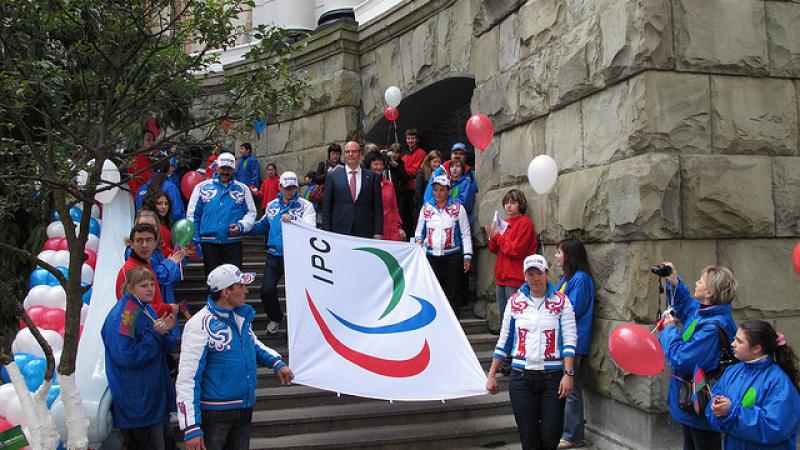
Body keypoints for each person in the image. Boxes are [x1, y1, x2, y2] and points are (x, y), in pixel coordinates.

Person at [176, 264, 294, 450]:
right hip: (215, 415)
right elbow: (187, 378)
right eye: (241, 286)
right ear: (226, 292)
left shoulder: (239, 317)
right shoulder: (198, 324)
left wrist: (277, 362)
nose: (246, 291)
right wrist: (191, 426)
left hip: (244, 408)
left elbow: (254, 344)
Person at [486, 254, 577, 450]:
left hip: (553, 378)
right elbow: (504, 340)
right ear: (524, 276)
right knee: (529, 438)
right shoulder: (515, 301)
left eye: (539, 273)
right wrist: (492, 374)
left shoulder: (562, 301)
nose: (535, 278)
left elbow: (569, 339)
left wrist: (568, 374)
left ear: (547, 273)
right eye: (530, 274)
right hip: (521, 377)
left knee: (550, 436)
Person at [658, 263, 739, 450]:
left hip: (701, 405)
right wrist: (674, 281)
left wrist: (669, 330)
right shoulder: (704, 311)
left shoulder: (711, 329)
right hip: (692, 404)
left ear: (709, 293)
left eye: (700, 281)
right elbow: (686, 306)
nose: (696, 282)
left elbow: (681, 358)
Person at [102, 266, 177, 450]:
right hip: (140, 401)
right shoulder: (125, 315)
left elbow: (161, 345)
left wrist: (166, 332)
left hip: (153, 398)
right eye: (144, 285)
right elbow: (127, 356)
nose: (150, 288)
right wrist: (157, 335)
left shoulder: (145, 308)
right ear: (130, 288)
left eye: (152, 284)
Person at [706, 320, 800, 449]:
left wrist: (731, 410)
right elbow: (711, 408)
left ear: (756, 348)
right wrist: (716, 410)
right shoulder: (732, 371)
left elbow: (775, 428)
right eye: (734, 339)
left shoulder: (779, 382)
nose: (733, 344)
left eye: (739, 341)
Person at [244, 171, 315, 334]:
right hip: (274, 254)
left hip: (296, 255)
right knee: (266, 290)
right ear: (280, 187)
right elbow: (261, 225)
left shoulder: (306, 205)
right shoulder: (272, 206)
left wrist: (294, 220)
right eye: (287, 188)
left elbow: (311, 227)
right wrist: (242, 227)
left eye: (293, 188)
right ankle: (276, 317)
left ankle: (299, 325)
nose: (291, 191)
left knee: (297, 293)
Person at [186, 152, 257, 276]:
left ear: (234, 170)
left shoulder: (243, 189)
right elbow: (192, 215)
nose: (225, 171)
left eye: (229, 168)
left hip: (233, 243)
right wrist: (195, 237)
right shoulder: (201, 187)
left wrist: (241, 226)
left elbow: (251, 213)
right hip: (209, 243)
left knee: (234, 280)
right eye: (222, 168)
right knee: (213, 280)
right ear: (217, 167)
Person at [554, 238, 595, 449]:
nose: (556, 256)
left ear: (569, 255)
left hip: (574, 343)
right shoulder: (566, 279)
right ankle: (565, 429)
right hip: (562, 342)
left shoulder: (581, 279)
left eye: (559, 252)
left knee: (572, 389)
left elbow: (572, 309)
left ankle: (573, 434)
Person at [414, 175, 471, 316]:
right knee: (433, 292)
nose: (438, 193)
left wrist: (467, 256)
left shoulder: (458, 208)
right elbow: (419, 231)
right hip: (431, 256)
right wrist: (419, 242)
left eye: (441, 190)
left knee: (452, 293)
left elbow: (465, 234)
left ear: (448, 191)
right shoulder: (426, 208)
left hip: (453, 256)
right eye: (435, 190)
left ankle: (454, 325)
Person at [486, 189, 538, 323]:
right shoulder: (504, 222)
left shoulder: (525, 223)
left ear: (520, 205)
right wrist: (492, 236)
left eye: (513, 203)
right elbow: (494, 249)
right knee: (504, 319)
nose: (508, 206)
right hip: (501, 278)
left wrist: (497, 236)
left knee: (516, 318)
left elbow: (516, 250)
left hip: (515, 277)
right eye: (506, 203)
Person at [116, 223, 181, 318]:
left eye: (148, 240)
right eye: (139, 241)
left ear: (155, 244)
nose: (144, 245)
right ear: (131, 244)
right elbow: (133, 310)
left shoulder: (145, 265)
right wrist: (168, 308)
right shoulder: (129, 270)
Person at [321, 141, 383, 239]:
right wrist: (326, 232)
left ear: (360, 154)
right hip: (339, 231)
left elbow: (377, 207)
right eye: (347, 151)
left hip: (365, 231)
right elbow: (327, 207)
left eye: (354, 151)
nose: (350, 154)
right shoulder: (332, 176)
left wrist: (378, 231)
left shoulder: (372, 177)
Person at [365, 151, 404, 241]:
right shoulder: (364, 185)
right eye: (376, 164)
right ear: (369, 166)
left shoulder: (389, 184)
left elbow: (394, 207)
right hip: (373, 230)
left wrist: (399, 227)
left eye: (381, 164)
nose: (379, 167)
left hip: (391, 229)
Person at [136, 157, 186, 224]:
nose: (174, 168)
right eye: (172, 165)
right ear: (168, 168)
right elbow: (178, 214)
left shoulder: (142, 188)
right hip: (163, 229)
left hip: (142, 227)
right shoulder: (171, 188)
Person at [400, 129, 426, 238]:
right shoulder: (404, 156)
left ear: (417, 140)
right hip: (405, 189)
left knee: (415, 216)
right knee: (406, 218)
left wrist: (402, 171)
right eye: (408, 138)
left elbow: (414, 170)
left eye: (413, 138)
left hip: (415, 190)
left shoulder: (421, 153)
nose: (411, 140)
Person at [142, 191, 175, 257]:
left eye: (166, 203)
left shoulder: (167, 224)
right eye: (159, 203)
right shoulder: (149, 224)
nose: (164, 207)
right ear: (152, 205)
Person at [127, 130, 156, 196]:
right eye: (148, 140)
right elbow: (146, 179)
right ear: (140, 142)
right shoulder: (136, 159)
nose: (152, 143)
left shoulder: (149, 157)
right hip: (141, 195)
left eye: (153, 140)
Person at [414, 149, 442, 216]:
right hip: (424, 206)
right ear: (429, 162)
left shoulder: (442, 173)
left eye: (439, 162)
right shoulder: (422, 174)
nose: (437, 164)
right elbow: (418, 193)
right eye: (434, 162)